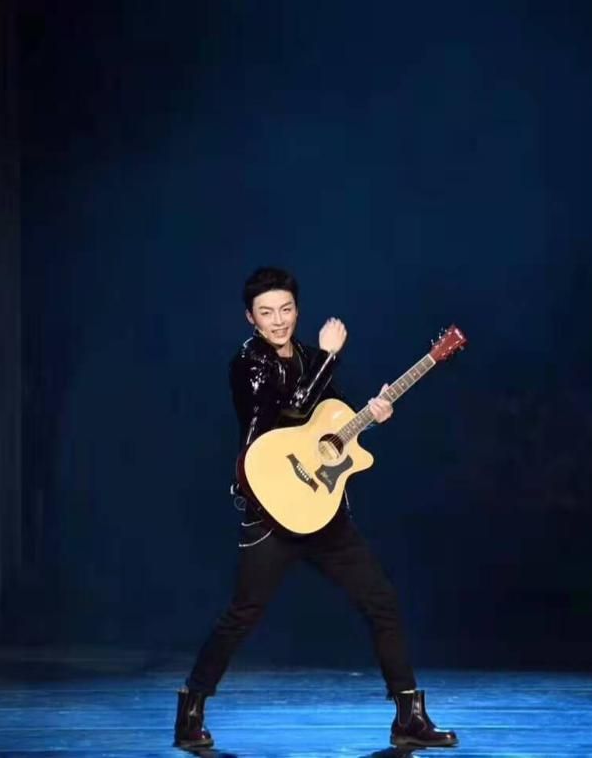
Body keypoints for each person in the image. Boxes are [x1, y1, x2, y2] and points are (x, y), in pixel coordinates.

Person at [174, 266, 458, 750]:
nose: (278, 320)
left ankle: (409, 715)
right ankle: (191, 710)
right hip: (272, 504)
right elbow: (291, 407)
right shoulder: (249, 362)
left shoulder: (310, 356)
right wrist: (330, 356)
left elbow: (332, 422)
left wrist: (374, 413)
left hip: (321, 509)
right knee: (243, 613)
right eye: (266, 313)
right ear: (250, 319)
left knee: (381, 599)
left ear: (297, 310)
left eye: (285, 309)